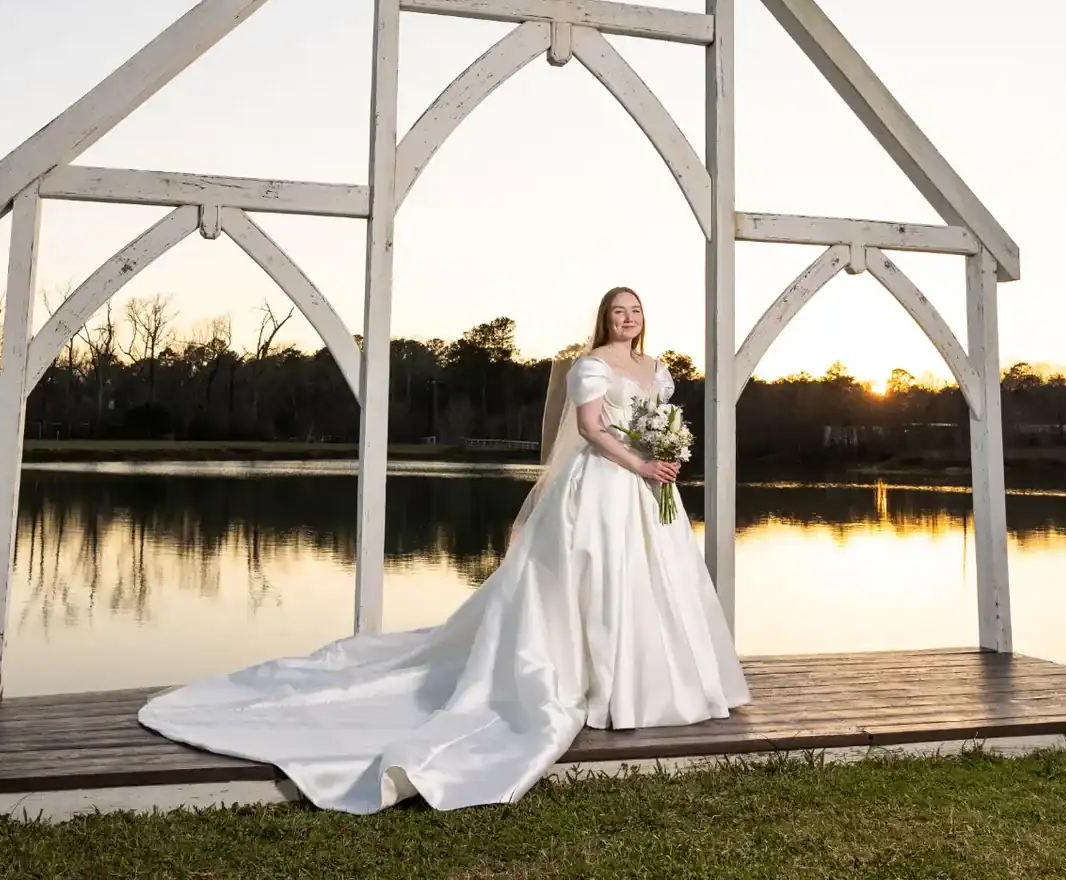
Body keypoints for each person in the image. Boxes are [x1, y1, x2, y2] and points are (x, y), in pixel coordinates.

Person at [138, 286, 749, 813]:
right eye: (619, 311)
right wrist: (640, 462)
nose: (628, 318)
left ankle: (650, 684)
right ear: (604, 318)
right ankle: (595, 684)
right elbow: (591, 428)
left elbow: (657, 422)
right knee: (592, 582)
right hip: (604, 487)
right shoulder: (591, 365)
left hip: (648, 489)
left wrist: (661, 459)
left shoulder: (656, 368)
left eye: (635, 310)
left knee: (651, 581)